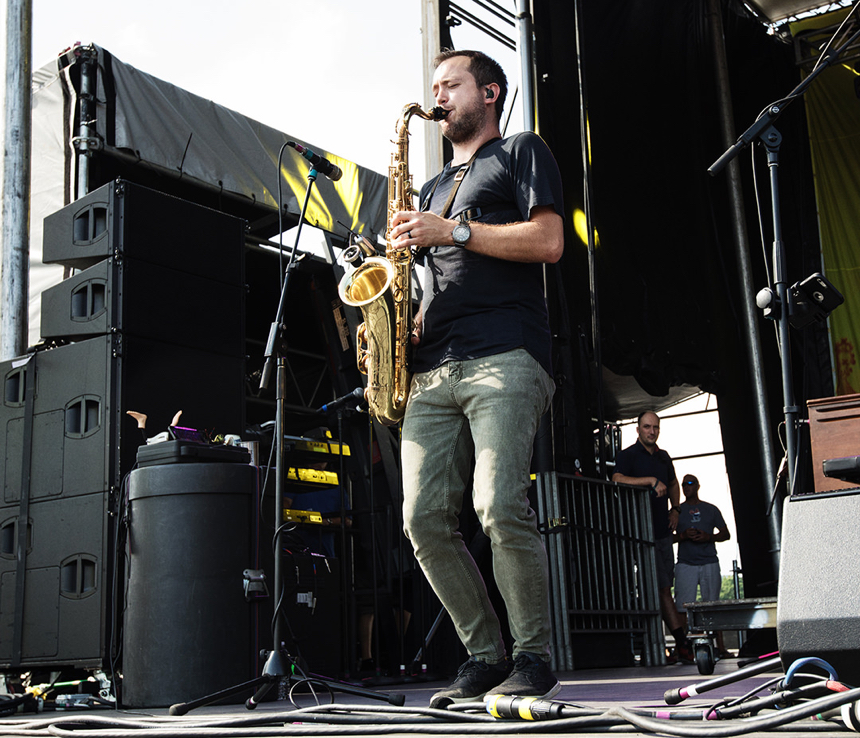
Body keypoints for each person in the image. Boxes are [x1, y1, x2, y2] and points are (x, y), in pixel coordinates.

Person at [389, 49, 565, 708]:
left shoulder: (521, 150)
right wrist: (404, 316)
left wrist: (452, 229)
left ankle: (534, 658)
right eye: (433, 86)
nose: (438, 96)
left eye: (451, 84)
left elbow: (548, 243)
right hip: (434, 366)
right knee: (423, 520)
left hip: (505, 353)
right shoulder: (432, 185)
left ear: (489, 92)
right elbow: (436, 272)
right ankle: (486, 657)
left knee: (495, 505)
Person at [611, 411, 693, 663]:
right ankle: (677, 643)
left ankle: (672, 645)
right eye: (647, 427)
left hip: (661, 531)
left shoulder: (664, 456)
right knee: (652, 588)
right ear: (638, 429)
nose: (651, 431)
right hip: (636, 532)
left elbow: (673, 483)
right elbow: (616, 479)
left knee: (663, 587)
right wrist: (649, 480)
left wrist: (676, 509)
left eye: (655, 427)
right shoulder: (627, 455)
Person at [672, 474, 731, 655]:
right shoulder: (677, 511)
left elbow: (725, 534)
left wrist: (708, 537)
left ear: (698, 486)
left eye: (690, 483)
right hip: (685, 563)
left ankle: (719, 647)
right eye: (683, 484)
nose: (686, 487)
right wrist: (682, 536)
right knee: (681, 607)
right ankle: (683, 647)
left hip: (709, 562)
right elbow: (664, 538)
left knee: (712, 605)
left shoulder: (711, 509)